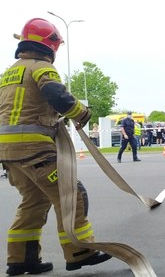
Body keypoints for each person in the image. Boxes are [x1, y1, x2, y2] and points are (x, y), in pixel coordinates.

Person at [0, 18, 112, 275]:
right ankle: (80, 251)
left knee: (34, 200)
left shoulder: (8, 73)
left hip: (8, 154)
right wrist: (82, 113)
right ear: (49, 45)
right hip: (34, 150)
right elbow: (58, 96)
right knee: (72, 194)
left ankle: (20, 259)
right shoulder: (42, 68)